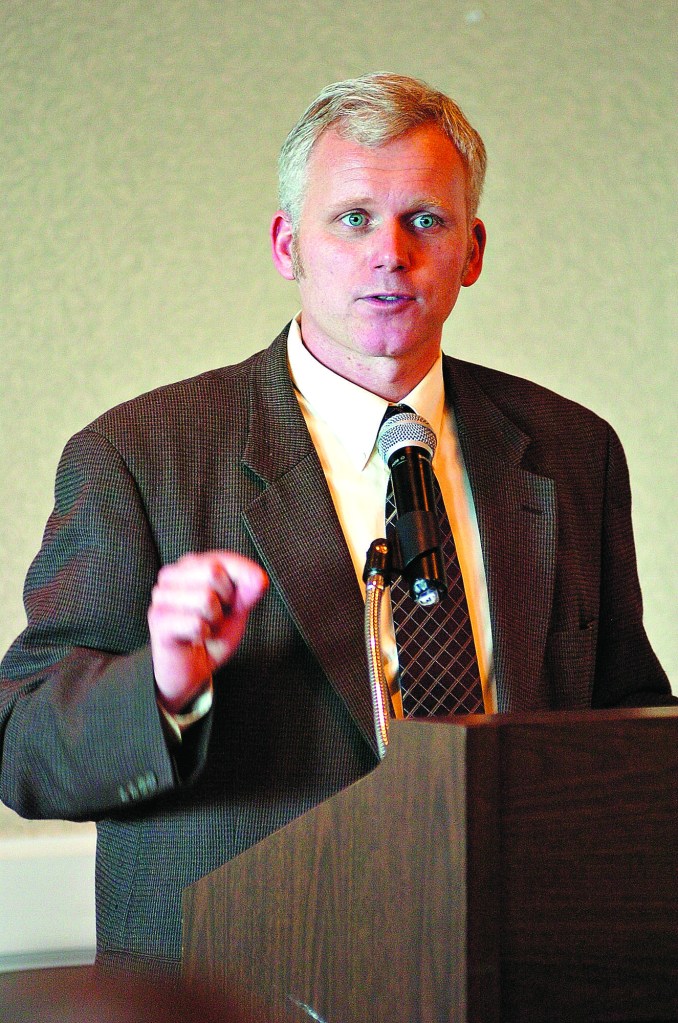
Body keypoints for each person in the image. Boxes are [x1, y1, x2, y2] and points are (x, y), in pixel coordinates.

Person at [0, 73, 673, 974]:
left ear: (472, 251)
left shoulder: (572, 450)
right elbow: (23, 747)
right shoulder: (138, 454)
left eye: (425, 220)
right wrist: (160, 686)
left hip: (518, 971)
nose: (390, 253)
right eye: (353, 219)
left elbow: (629, 724)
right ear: (289, 245)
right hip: (241, 983)